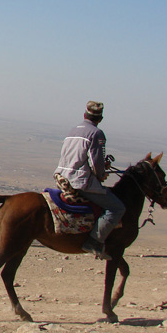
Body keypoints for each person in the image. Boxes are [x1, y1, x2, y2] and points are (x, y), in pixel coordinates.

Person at [54, 101, 125, 260]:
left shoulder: (73, 130)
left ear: (84, 115)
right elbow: (96, 163)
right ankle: (94, 241)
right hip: (79, 181)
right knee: (116, 208)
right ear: (100, 119)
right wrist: (101, 174)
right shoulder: (96, 134)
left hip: (62, 176)